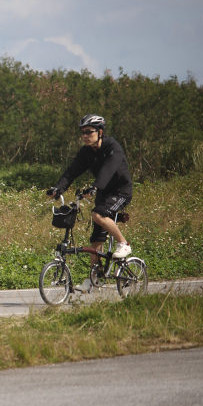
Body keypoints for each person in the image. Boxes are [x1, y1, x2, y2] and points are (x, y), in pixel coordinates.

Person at [47, 114, 133, 293]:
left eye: (89, 132)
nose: (85, 136)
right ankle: (95, 278)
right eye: (82, 133)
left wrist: (95, 186)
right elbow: (72, 171)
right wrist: (58, 188)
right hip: (103, 193)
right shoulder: (86, 151)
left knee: (98, 214)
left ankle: (123, 244)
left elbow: (108, 170)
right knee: (96, 239)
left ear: (100, 132)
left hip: (121, 192)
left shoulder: (112, 147)